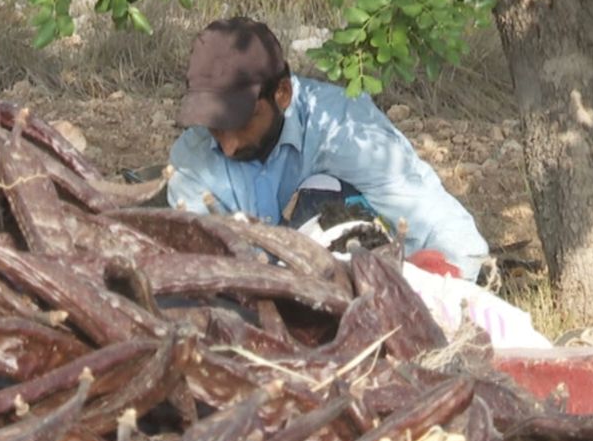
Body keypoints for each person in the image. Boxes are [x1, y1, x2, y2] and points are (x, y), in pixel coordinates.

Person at [167, 16, 491, 280]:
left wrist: (444, 289)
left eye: (241, 123)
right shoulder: (192, 159)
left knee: (321, 192)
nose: (228, 146)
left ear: (282, 93)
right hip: (250, 306)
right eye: (215, 127)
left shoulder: (345, 132)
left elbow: (442, 228)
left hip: (359, 299)